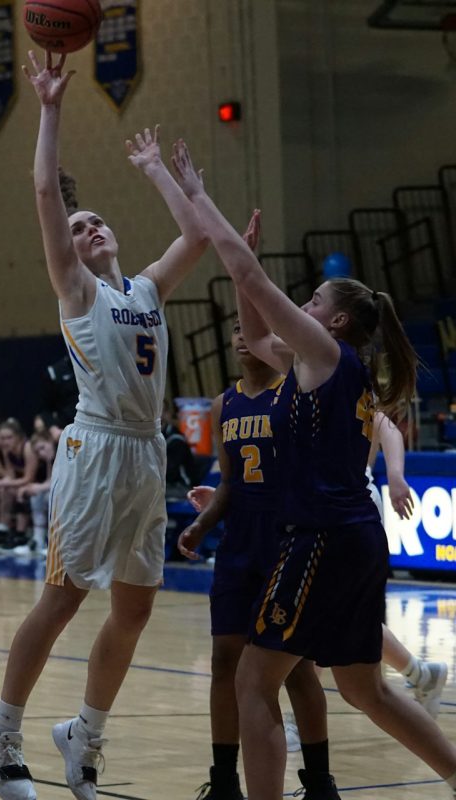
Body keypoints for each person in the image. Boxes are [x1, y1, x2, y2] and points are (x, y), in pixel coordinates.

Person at [184, 153, 456, 799]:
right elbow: (253, 335)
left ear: (333, 320)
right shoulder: (322, 364)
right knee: (364, 687)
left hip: (320, 538)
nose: (302, 306)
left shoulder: (326, 354)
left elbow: (254, 280)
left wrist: (199, 196)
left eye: (312, 301)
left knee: (254, 679)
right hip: (354, 537)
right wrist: (238, 268)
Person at [0, 49, 209, 800]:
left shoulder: (143, 290)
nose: (90, 227)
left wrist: (160, 172)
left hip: (145, 456)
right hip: (96, 449)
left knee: (135, 608)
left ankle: (85, 735)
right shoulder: (77, 292)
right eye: (78, 227)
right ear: (66, 251)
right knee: (65, 597)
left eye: (98, 222)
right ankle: (2, 733)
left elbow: (197, 238)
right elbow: (46, 187)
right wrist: (48, 108)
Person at [178, 226, 337, 799]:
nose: (243, 339)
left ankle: (319, 781)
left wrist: (245, 256)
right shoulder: (225, 403)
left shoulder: (296, 385)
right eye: (236, 334)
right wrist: (201, 523)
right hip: (239, 543)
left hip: (288, 538)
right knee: (225, 662)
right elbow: (225, 481)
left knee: (296, 671)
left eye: (252, 332)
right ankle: (224, 781)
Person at [370, 411, 448, 717]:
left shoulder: (341, 384)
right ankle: (420, 674)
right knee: (341, 617)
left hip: (350, 503)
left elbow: (385, 425)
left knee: (328, 614)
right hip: (313, 508)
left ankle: (301, 718)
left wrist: (395, 473)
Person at [0, 418, 38, 551]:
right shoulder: (7, 451)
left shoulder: (27, 448)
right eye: (2, 438)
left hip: (38, 483)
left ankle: (20, 535)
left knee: (16, 491)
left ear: (18, 437)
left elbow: (29, 478)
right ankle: (2, 531)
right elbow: (10, 477)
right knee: (5, 490)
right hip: (23, 484)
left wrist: (1, 483)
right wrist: (2, 483)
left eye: (9, 438)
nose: (5, 441)